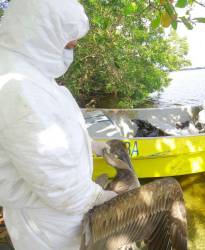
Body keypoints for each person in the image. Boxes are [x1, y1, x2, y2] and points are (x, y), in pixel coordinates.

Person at [0, 1, 117, 249]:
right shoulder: (18, 86)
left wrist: (90, 144)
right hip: (48, 223)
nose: (71, 51)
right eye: (67, 44)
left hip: (61, 210)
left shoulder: (33, 75)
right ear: (41, 33)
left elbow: (52, 134)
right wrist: (95, 197)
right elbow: (52, 177)